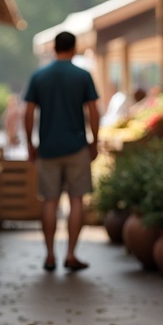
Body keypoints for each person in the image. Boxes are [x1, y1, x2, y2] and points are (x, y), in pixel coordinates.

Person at [23, 31, 100, 271]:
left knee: (50, 201)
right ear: (74, 48)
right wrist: (94, 141)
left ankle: (49, 256)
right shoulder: (83, 76)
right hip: (77, 146)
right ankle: (70, 254)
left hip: (47, 148)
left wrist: (29, 143)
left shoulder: (40, 76)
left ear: (53, 48)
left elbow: (29, 112)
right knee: (77, 200)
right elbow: (93, 111)